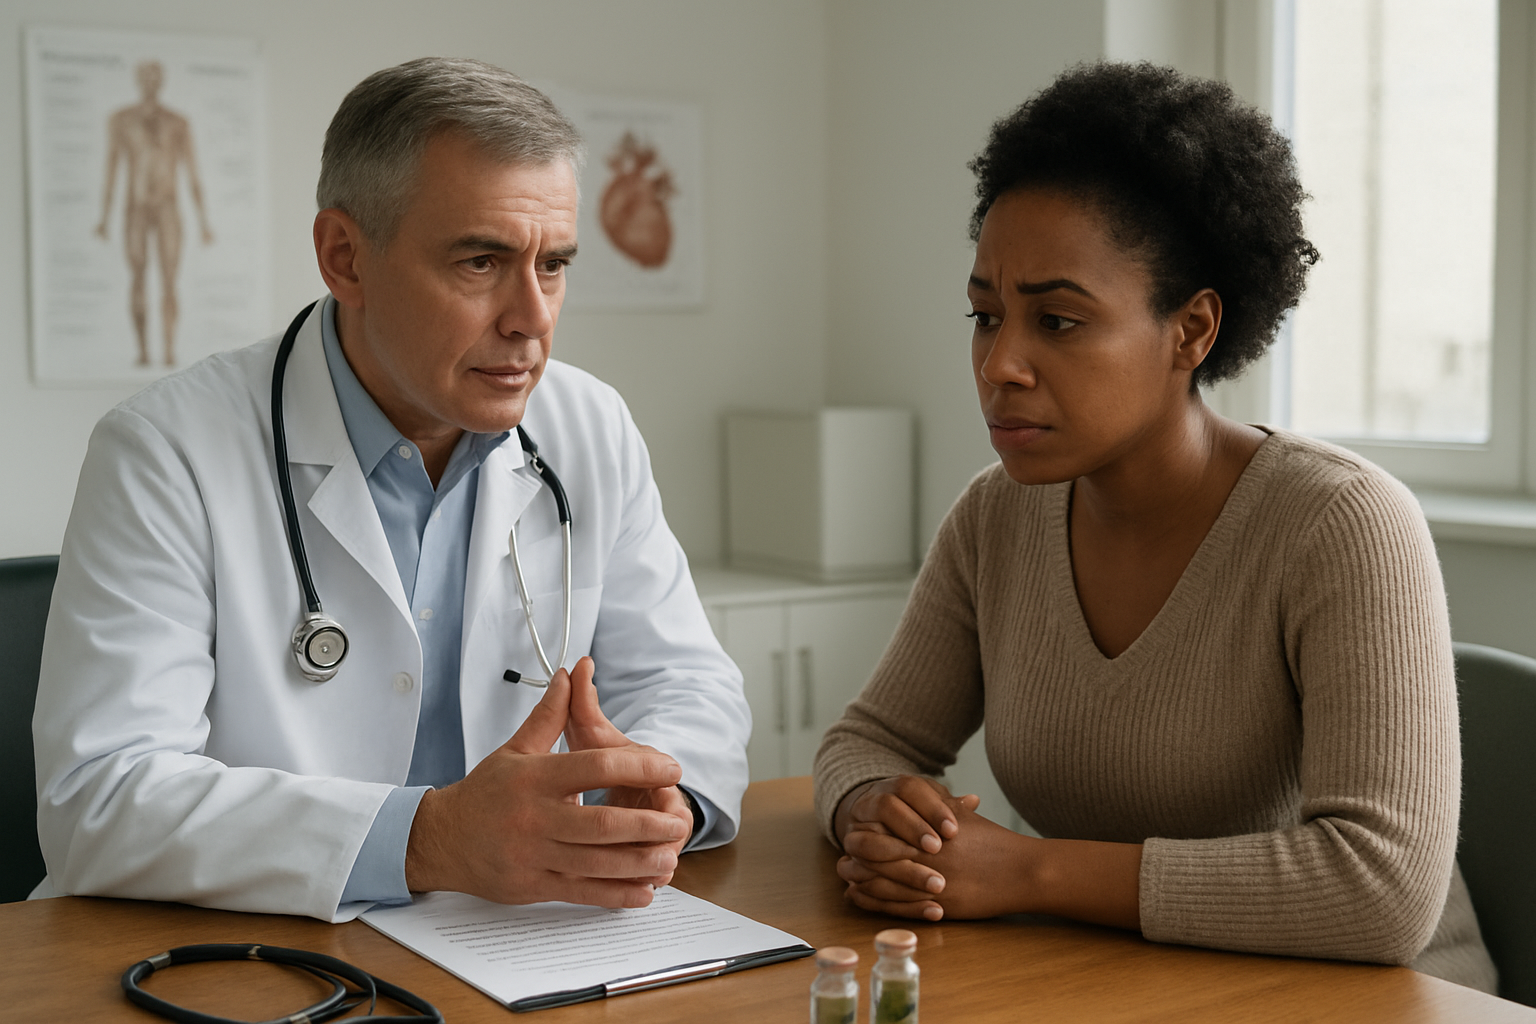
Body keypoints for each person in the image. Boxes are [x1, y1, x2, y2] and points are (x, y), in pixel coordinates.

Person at [812, 62, 1498, 992]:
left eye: (1057, 321)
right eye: (984, 316)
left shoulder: (1340, 523)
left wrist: (1029, 871)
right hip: (1133, 985)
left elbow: (1380, 889)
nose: (999, 363)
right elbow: (866, 741)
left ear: (1192, 330)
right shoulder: (997, 516)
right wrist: (876, 814)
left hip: (1381, 1002)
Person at [34, 57, 750, 922]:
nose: (533, 318)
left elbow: (689, 683)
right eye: (482, 262)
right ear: (345, 258)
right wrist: (429, 837)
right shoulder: (165, 451)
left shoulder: (588, 427)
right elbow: (100, 799)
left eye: (553, 264)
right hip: (252, 949)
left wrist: (659, 789)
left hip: (519, 940)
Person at [95, 59, 215, 368]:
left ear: (161, 80)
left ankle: (170, 352)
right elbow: (112, 168)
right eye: (145, 75)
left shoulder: (178, 123)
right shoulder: (121, 120)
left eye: (155, 75)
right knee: (137, 277)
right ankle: (143, 351)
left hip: (167, 207)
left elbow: (192, 174)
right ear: (138, 79)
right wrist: (104, 217)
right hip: (136, 207)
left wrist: (204, 222)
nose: (150, 80)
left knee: (169, 281)